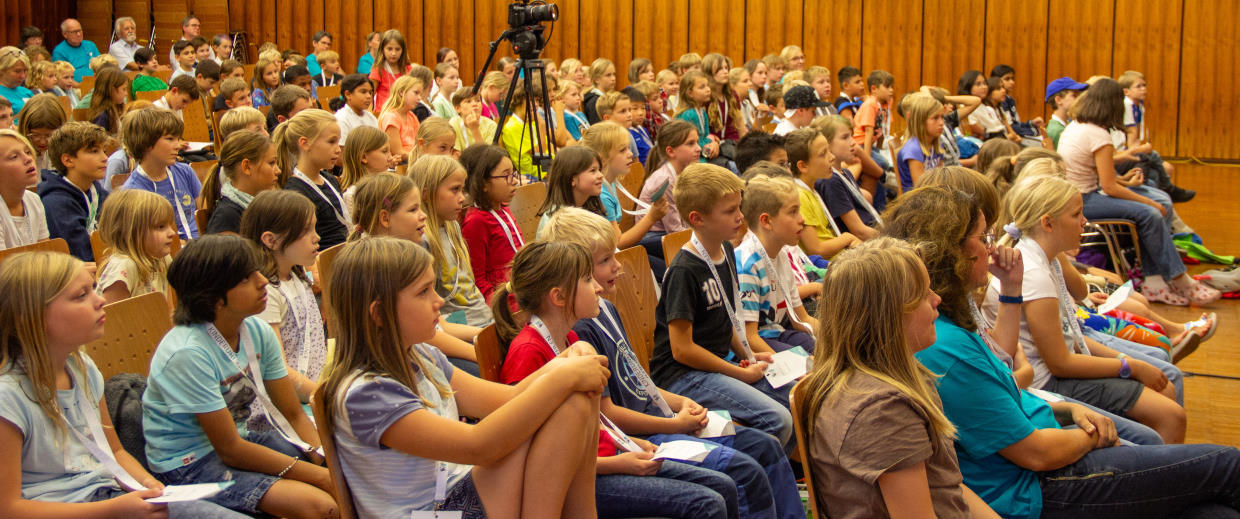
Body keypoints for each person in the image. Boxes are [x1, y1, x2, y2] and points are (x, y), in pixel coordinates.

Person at [893, 185, 1240, 519]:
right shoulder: (942, 345)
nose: (991, 247)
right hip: (1037, 486)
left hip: (1045, 437)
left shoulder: (958, 316)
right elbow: (1036, 448)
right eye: (984, 237)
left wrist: (1068, 410)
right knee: (1226, 463)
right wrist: (1091, 434)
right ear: (951, 250)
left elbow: (1009, 378)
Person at [317, 237, 606, 518]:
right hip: (432, 512)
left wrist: (563, 362)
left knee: (574, 400)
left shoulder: (423, 356)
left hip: (455, 492)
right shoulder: (367, 394)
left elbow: (507, 399)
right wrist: (563, 378)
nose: (439, 301)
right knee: (567, 402)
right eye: (423, 292)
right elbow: (478, 446)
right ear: (379, 313)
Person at [494, 240, 740, 519]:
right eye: (587, 280)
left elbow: (596, 418)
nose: (598, 287)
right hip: (583, 479)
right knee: (707, 504)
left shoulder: (571, 339)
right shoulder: (528, 352)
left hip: (608, 457)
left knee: (723, 486)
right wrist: (616, 463)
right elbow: (533, 460)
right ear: (558, 297)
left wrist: (631, 442)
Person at [0, 251, 248, 518]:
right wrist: (113, 510)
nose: (100, 300)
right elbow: (9, 508)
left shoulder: (82, 369)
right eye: (81, 295)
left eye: (93, 289)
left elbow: (115, 451)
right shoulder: (8, 397)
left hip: (108, 496)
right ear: (31, 317)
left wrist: (148, 485)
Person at [795, 238, 998, 518]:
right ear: (889, 315)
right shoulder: (881, 409)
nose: (937, 298)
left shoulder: (901, 378)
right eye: (924, 294)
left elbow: (950, 487)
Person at [140, 235, 337, 517]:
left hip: (242, 439)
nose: (263, 282)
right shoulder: (188, 352)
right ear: (212, 296)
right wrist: (320, 477)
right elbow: (229, 449)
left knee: (341, 470)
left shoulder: (256, 331)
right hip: (190, 464)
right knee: (320, 506)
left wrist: (326, 463)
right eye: (246, 278)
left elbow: (293, 414)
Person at [991, 173, 1186, 443]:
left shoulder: (1046, 259)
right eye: (1076, 215)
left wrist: (1128, 363)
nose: (1085, 222)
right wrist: (1128, 366)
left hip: (1056, 374)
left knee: (1165, 394)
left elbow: (1072, 333)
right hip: (1046, 385)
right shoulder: (1034, 271)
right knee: (1169, 415)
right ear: (1047, 223)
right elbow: (1060, 363)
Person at [648, 163, 795, 449]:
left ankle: (790, 475)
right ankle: (767, 479)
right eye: (729, 211)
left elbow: (727, 317)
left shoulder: (726, 249)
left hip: (719, 363)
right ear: (697, 218)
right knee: (779, 419)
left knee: (794, 396)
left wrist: (750, 355)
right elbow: (682, 349)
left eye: (739, 207)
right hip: (682, 377)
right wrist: (739, 373)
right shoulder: (684, 270)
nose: (740, 217)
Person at [1056, 78, 1216, 306]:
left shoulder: (1078, 126)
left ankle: (1155, 279)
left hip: (1081, 193)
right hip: (1084, 199)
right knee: (1151, 212)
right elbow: (1109, 187)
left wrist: (1128, 182)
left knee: (1162, 200)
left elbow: (1097, 173)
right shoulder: (1098, 135)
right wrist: (1147, 203)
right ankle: (1178, 279)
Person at [240, 190, 324, 407]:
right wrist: (325, 397)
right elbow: (276, 369)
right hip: (287, 404)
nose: (317, 237)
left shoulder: (296, 276)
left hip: (313, 390)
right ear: (271, 240)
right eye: (306, 231)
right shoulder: (265, 294)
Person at [409, 154, 494, 328]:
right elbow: (434, 317)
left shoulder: (453, 226)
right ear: (426, 194)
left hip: (484, 319)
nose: (462, 197)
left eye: (462, 190)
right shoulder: (422, 241)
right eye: (455, 190)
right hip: (462, 329)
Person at [735, 175, 818, 354]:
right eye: (793, 212)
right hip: (755, 342)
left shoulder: (781, 254)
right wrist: (787, 365)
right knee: (807, 366)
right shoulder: (747, 265)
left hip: (777, 332)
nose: (802, 219)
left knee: (826, 349)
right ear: (766, 221)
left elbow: (800, 318)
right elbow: (749, 337)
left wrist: (839, 337)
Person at [118, 108, 201, 240]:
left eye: (177, 139)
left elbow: (204, 215)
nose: (178, 145)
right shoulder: (132, 192)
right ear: (145, 143)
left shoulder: (185, 171)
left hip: (200, 246)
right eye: (170, 139)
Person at [276, 109, 349, 248]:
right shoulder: (295, 193)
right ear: (305, 143)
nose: (338, 149)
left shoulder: (329, 179)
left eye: (338, 142)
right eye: (331, 142)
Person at [785, 128, 860, 259]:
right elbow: (816, 249)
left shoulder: (811, 190)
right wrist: (847, 238)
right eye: (823, 154)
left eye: (829, 151)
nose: (832, 157)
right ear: (803, 166)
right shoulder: (799, 196)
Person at [460, 143, 522, 300]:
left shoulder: (503, 207)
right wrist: (501, 308)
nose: (514, 180)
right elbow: (478, 280)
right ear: (483, 183)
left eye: (513, 173)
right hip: (504, 299)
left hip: (521, 286)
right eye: (505, 175)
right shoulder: (476, 222)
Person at [39, 122, 108, 261]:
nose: (105, 158)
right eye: (94, 151)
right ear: (68, 160)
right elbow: (81, 257)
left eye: (104, 150)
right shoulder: (56, 203)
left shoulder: (96, 190)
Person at [94, 189, 176, 305]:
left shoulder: (162, 259)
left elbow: (167, 312)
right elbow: (112, 320)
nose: (172, 232)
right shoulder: (123, 268)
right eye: (161, 227)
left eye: (170, 225)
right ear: (131, 232)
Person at [201, 130, 279, 234]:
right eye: (271, 163)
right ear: (246, 167)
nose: (278, 171)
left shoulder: (265, 206)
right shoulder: (227, 220)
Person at [0, 130, 48, 249]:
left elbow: (47, 255)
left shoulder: (34, 199)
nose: (28, 159)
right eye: (14, 157)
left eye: (27, 152)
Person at [896, 93, 946, 192]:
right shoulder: (913, 149)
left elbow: (940, 177)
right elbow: (921, 188)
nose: (941, 123)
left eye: (942, 117)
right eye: (935, 118)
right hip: (916, 200)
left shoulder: (936, 145)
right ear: (921, 122)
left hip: (932, 194)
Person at [338, 126, 392, 211]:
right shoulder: (353, 195)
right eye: (384, 151)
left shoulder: (388, 186)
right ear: (363, 157)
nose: (390, 158)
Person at [853, 70, 895, 172]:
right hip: (860, 145)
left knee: (890, 161)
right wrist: (867, 159)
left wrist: (880, 150)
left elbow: (881, 130)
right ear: (874, 89)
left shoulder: (884, 104)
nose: (891, 90)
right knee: (883, 164)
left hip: (872, 145)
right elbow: (868, 132)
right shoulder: (870, 105)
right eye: (887, 87)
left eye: (892, 87)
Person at [378, 76, 424, 162]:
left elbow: (419, 144)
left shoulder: (412, 116)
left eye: (420, 94)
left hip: (413, 160)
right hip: (398, 166)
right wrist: (422, 157)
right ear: (401, 92)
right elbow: (397, 152)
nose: (419, 98)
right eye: (416, 93)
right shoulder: (391, 118)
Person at [332, 74, 378, 145]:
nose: (369, 96)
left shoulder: (371, 117)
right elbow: (342, 151)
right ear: (348, 94)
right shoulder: (341, 119)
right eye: (363, 92)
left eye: (370, 92)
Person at [369, 30, 410, 109]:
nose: (393, 53)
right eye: (389, 49)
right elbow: (369, 95)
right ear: (382, 49)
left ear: (403, 50)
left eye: (397, 49)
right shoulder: (378, 70)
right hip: (383, 113)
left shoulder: (408, 70)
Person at [1044, 77, 1087, 148]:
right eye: (1074, 95)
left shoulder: (1066, 124)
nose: (1079, 100)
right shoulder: (1057, 131)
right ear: (1058, 100)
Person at [0, 49, 34, 115]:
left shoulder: (26, 92)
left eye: (25, 71)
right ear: (2, 70)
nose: (23, 76)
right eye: (17, 71)